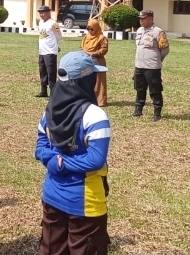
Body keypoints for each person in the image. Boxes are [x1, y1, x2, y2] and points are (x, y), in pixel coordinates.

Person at [35, 51, 112, 255]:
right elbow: (96, 160)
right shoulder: (95, 115)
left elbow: (40, 147)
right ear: (86, 80)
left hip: (52, 196)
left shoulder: (49, 110)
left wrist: (53, 161)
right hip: (85, 204)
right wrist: (63, 163)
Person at [133, 10, 169, 121]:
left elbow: (165, 50)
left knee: (155, 90)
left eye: (143, 18)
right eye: (140, 18)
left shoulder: (159, 32)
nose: (141, 20)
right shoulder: (139, 31)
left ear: (151, 19)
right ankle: (138, 110)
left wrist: (157, 60)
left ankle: (157, 113)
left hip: (152, 67)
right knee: (139, 89)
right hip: (139, 66)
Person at [81, 19, 109, 107]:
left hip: (97, 61)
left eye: (92, 29)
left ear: (97, 28)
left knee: (99, 81)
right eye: (88, 29)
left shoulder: (101, 38)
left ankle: (100, 101)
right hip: (86, 61)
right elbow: (81, 47)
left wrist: (93, 53)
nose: (90, 31)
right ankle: (88, 99)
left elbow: (104, 49)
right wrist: (84, 53)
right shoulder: (86, 37)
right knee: (86, 79)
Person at [36, 5, 62, 98]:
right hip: (42, 51)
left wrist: (54, 45)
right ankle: (43, 90)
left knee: (51, 71)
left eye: (43, 12)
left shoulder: (53, 23)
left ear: (48, 13)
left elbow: (59, 36)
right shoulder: (41, 23)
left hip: (50, 51)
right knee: (42, 70)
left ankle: (52, 92)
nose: (41, 15)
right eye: (40, 13)